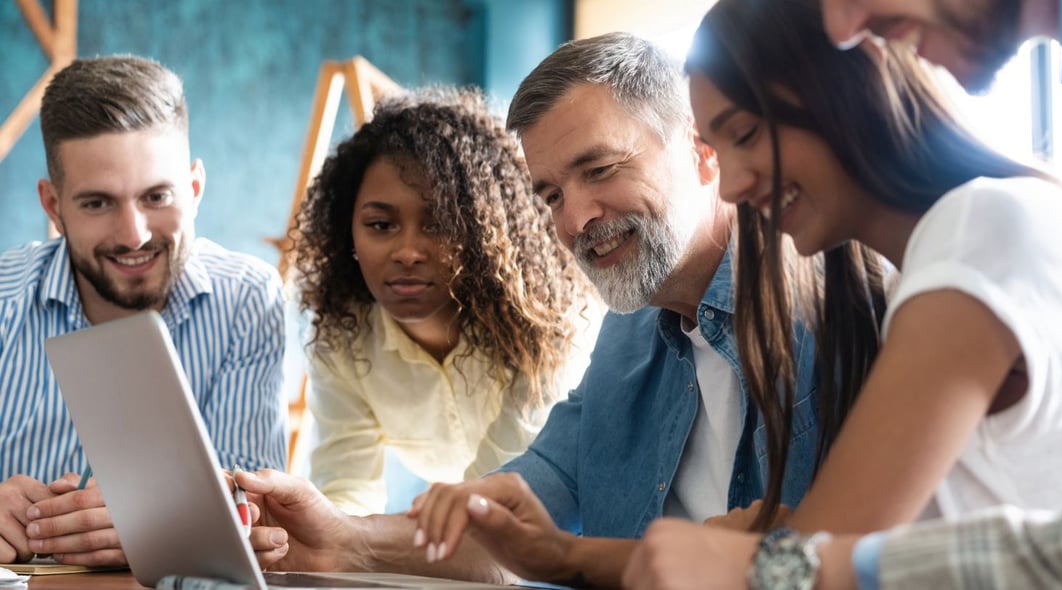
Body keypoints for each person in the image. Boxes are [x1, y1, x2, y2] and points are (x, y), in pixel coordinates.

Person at [234, 33, 824, 585]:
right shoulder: (624, 338)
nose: (574, 222)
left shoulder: (829, 302)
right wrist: (343, 539)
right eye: (551, 195)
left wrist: (565, 556)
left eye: (600, 170)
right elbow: (507, 526)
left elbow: (842, 558)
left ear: (701, 151)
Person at [620, 0, 1062, 588]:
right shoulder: (945, 253)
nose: (731, 183)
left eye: (747, 133)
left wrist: (764, 557)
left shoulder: (976, 233)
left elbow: (799, 571)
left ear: (845, 88)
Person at [0, 56, 287, 567]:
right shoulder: (3, 297)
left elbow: (255, 515)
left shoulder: (249, 298)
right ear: (53, 207)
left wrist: (161, 525)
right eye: (97, 204)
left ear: (194, 190)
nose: (134, 234)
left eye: (157, 196)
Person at [292, 88, 598, 516]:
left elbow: (500, 494)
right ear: (349, 236)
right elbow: (346, 488)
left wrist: (374, 541)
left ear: (480, 233)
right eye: (381, 225)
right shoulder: (343, 337)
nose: (408, 251)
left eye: (438, 224)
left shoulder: (541, 325)